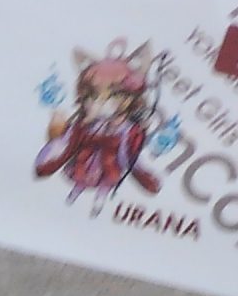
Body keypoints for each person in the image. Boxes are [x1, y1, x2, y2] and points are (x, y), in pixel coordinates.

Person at [36, 43, 164, 203]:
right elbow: (67, 144)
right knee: (79, 177)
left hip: (108, 163)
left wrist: (139, 133)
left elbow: (129, 154)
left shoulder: (125, 127)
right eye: (93, 96)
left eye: (113, 96)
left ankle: (100, 198)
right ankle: (75, 194)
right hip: (85, 160)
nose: (101, 103)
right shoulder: (86, 124)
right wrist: (60, 129)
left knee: (106, 181)